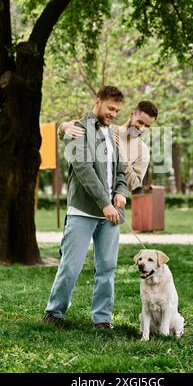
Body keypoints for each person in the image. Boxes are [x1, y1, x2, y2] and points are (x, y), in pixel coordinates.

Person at [42, 86, 128, 330]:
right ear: (98, 102)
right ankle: (54, 312)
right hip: (83, 211)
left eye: (117, 110)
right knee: (71, 265)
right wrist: (104, 203)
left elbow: (120, 171)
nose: (113, 113)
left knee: (107, 267)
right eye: (110, 108)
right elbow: (83, 170)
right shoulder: (77, 129)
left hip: (111, 213)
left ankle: (102, 318)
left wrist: (121, 192)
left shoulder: (113, 135)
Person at [58, 100, 158, 192]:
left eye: (147, 126)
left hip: (113, 206)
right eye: (140, 122)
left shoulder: (143, 151)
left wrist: (123, 157)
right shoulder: (106, 128)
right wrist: (65, 127)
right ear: (132, 114)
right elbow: (66, 133)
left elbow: (132, 185)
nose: (141, 128)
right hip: (86, 201)